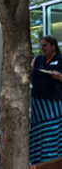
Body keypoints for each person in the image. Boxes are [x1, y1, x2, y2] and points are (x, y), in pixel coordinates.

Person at [30, 35, 62, 165]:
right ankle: (37, 160)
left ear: (53, 46)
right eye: (41, 46)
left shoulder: (60, 60)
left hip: (54, 101)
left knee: (53, 130)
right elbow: (29, 74)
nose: (42, 48)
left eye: (45, 45)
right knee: (37, 130)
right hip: (38, 101)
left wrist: (59, 77)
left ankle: (52, 160)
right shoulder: (37, 60)